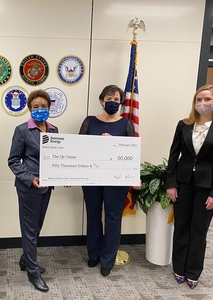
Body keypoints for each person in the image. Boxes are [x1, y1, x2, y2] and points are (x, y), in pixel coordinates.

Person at [165, 84, 213, 289]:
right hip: (183, 183)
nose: (202, 103)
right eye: (198, 100)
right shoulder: (184, 124)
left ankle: (193, 271)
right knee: (181, 227)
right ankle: (179, 268)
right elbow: (173, 156)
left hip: (207, 186)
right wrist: (171, 184)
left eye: (207, 100)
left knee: (199, 230)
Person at [78, 84, 135, 277]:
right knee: (93, 215)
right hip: (92, 178)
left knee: (112, 217)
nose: (112, 102)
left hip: (116, 180)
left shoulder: (126, 124)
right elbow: (78, 149)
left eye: (116, 99)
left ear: (121, 102)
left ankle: (108, 259)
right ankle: (93, 253)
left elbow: (130, 153)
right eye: (109, 99)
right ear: (102, 101)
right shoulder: (89, 122)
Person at [8, 89, 58, 293]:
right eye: (35, 107)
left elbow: (58, 157)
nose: (39, 110)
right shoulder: (22, 130)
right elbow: (13, 161)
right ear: (29, 109)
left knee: (36, 227)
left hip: (48, 187)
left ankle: (25, 260)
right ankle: (33, 272)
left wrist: (66, 175)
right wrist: (30, 178)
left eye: (43, 106)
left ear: (49, 107)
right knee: (30, 230)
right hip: (29, 187)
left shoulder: (54, 130)